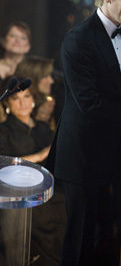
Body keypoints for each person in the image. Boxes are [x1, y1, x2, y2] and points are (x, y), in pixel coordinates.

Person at [46, 0, 121, 266]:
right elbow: (89, 104)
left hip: (113, 158)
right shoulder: (78, 39)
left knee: (110, 241)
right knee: (81, 243)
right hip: (81, 157)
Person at [0, 77, 55, 265]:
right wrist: (39, 156)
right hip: (20, 196)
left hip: (50, 193)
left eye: (26, 97)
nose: (22, 103)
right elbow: (4, 166)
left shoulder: (44, 128)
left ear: (33, 99)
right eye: (16, 99)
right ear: (7, 103)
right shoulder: (4, 131)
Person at [16, 55, 57, 130]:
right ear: (34, 77)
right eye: (46, 76)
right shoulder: (20, 107)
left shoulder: (48, 103)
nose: (51, 81)